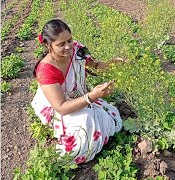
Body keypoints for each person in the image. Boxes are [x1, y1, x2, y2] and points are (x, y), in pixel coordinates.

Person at [31, 19, 124, 164]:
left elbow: (96, 66)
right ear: (48, 46)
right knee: (86, 120)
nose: (68, 47)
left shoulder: (77, 50)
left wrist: (113, 63)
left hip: (78, 97)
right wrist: (91, 96)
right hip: (56, 106)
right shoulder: (45, 69)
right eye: (61, 44)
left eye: (69, 40)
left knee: (111, 114)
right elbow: (61, 107)